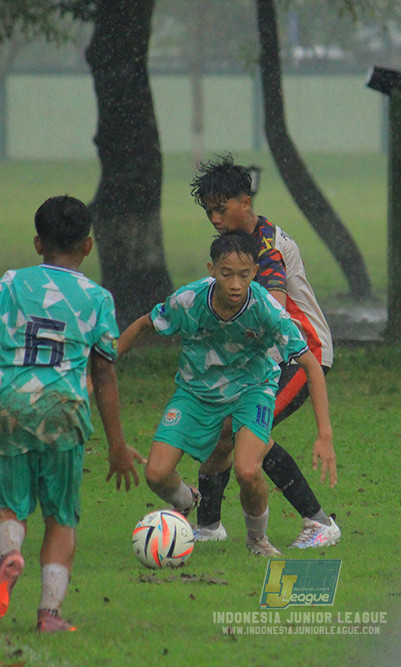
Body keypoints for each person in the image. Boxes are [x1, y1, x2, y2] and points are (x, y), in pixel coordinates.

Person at [0, 195, 144, 633]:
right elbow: (104, 373)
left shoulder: (11, 283)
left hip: (10, 405)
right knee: (60, 517)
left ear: (38, 243)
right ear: (87, 245)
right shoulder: (97, 298)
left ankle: (9, 555)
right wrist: (117, 444)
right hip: (63, 411)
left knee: (8, 505)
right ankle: (49, 614)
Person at [117, 231, 336, 556]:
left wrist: (324, 434)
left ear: (255, 273)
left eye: (244, 275)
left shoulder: (266, 309)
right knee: (156, 475)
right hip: (194, 394)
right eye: (226, 274)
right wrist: (105, 364)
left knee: (248, 470)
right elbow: (144, 324)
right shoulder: (188, 300)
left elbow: (311, 366)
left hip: (252, 392)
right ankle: (187, 501)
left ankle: (257, 540)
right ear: (212, 269)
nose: (235, 284)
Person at [188, 154, 341, 549]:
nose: (215, 219)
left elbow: (271, 309)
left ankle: (319, 522)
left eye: (221, 209)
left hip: (301, 354)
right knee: (224, 428)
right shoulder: (240, 244)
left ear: (245, 203)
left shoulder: (266, 248)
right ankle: (208, 526)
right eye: (209, 212)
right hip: (269, 355)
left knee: (247, 433)